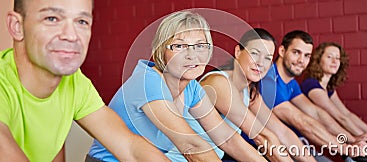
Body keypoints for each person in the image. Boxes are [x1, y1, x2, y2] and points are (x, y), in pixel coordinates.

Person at [0, 0, 170, 161]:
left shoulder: (73, 82)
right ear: (17, 26)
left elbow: (130, 148)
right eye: (52, 19)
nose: (71, 36)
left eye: (81, 21)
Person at [88, 11, 267, 162]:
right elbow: (191, 145)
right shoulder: (148, 82)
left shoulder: (192, 88)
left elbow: (227, 140)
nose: (192, 55)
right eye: (179, 46)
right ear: (161, 51)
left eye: (200, 46)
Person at [200, 28, 315, 161]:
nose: (260, 63)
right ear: (238, 52)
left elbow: (282, 132)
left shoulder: (249, 91)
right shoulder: (219, 83)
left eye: (268, 58)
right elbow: (261, 136)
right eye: (254, 53)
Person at [259, 30, 367, 159]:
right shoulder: (268, 80)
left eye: (307, 55)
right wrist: (344, 147)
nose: (301, 60)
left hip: (295, 147)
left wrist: (352, 140)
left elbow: (315, 113)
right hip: (268, 152)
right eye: (296, 53)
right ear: (282, 51)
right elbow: (299, 120)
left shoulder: (292, 84)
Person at [301, 42, 367, 147]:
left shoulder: (328, 89)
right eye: (329, 57)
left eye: (337, 58)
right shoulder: (311, 85)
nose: (334, 61)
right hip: (302, 140)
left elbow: (347, 114)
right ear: (318, 60)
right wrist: (366, 138)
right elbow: (340, 117)